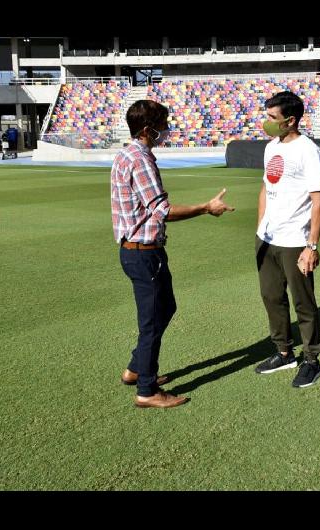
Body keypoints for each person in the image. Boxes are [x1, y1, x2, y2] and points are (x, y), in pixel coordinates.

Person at [111, 100, 234, 409]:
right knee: (152, 320)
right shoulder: (141, 159)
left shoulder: (126, 154)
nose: (166, 130)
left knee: (166, 307)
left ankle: (136, 368)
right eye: (162, 125)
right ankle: (147, 389)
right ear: (147, 129)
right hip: (143, 251)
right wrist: (206, 208)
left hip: (137, 250)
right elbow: (163, 211)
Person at [253, 91, 320, 388]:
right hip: (267, 238)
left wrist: (311, 246)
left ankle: (312, 360)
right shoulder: (271, 147)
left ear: (291, 120)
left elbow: (318, 200)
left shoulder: (308, 151)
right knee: (271, 297)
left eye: (272, 118)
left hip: (295, 240)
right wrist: (260, 229)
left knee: (303, 303)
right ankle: (284, 353)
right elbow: (265, 188)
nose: (267, 122)